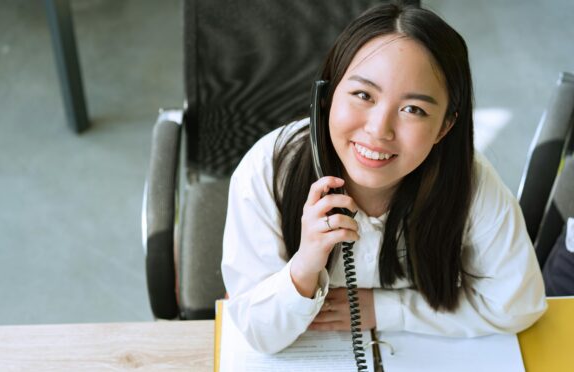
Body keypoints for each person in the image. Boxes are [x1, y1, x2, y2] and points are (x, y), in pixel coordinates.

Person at [221, 3, 547, 354]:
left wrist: (385, 309)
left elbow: (519, 304)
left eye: (413, 110)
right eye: (363, 95)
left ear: (445, 126)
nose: (379, 130)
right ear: (327, 94)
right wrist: (306, 263)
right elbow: (257, 334)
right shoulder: (268, 168)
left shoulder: (470, 181)